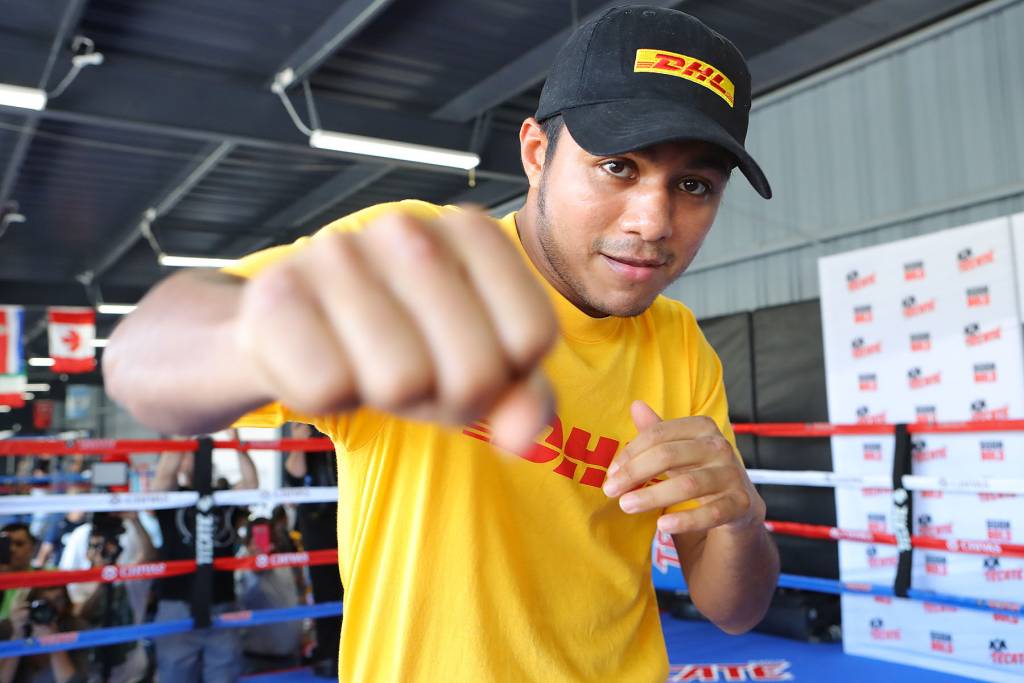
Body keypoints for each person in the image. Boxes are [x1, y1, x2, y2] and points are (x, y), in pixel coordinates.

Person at [105, 6, 779, 681]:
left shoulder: (682, 348)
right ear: (537, 153)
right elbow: (140, 360)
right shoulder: (417, 263)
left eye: (693, 185)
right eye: (618, 167)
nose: (653, 220)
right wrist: (266, 340)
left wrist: (742, 517)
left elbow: (733, 609)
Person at [146, 438, 257, 682]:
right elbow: (164, 475)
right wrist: (185, 433)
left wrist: (236, 441)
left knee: (225, 676)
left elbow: (251, 485)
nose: (194, 456)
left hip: (222, 606)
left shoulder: (223, 499)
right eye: (188, 453)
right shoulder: (172, 499)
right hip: (177, 606)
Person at [283, 423, 341, 678]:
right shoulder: (307, 436)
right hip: (318, 529)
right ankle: (330, 655)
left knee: (356, 590)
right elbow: (294, 480)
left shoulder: (339, 433)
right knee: (326, 592)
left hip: (349, 522)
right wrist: (300, 442)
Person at [0, 585, 88, 683]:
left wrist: (54, 642)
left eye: (58, 600)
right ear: (30, 604)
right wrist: (17, 636)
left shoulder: (77, 628)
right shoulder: (10, 627)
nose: (50, 607)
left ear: (66, 602)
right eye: (43, 601)